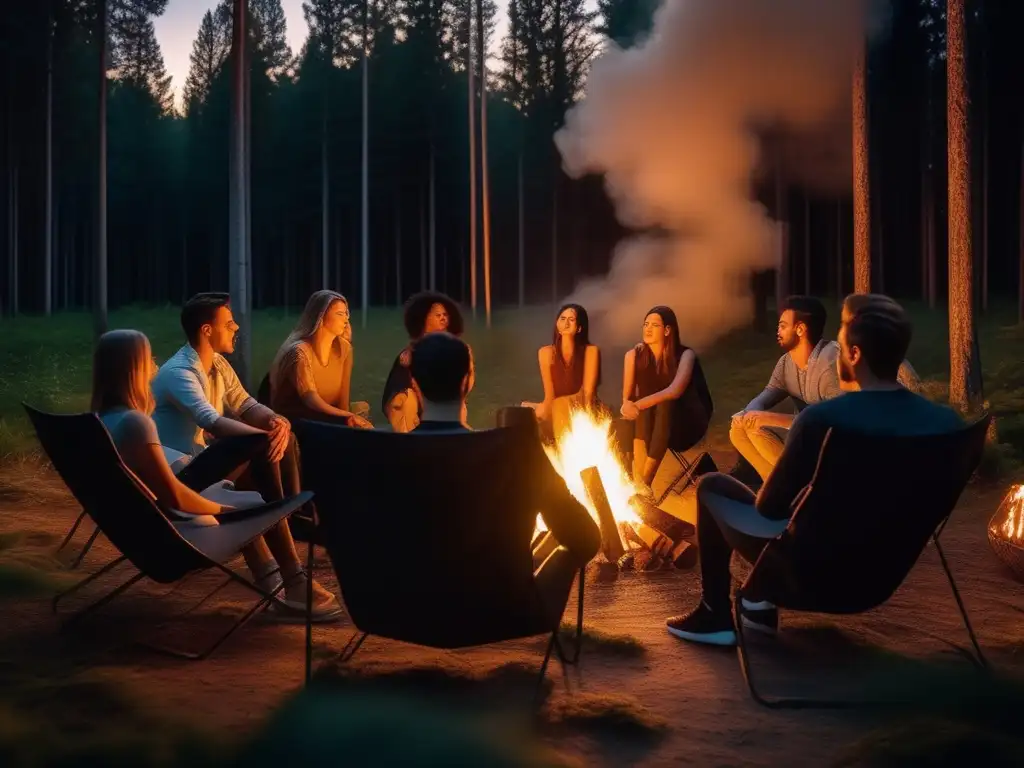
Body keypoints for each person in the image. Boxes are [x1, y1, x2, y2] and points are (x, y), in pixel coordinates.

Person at [666, 294, 963, 646]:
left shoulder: (822, 420)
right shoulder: (947, 425)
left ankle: (718, 614)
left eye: (840, 343)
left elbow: (770, 512)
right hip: (885, 574)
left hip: (813, 577)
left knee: (713, 487)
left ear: (853, 355)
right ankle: (757, 601)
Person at [93, 329, 342, 620]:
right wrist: (225, 510)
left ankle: (277, 581)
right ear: (132, 368)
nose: (156, 366)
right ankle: (293, 579)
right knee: (259, 458)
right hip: (176, 524)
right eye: (149, 360)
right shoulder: (136, 424)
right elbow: (174, 497)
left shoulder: (103, 421)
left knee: (255, 452)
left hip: (147, 519)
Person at [407, 331, 601, 610]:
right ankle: (531, 599)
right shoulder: (519, 455)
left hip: (403, 611)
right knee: (575, 543)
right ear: (468, 380)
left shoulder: (379, 456)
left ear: (414, 383)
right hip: (502, 613)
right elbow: (586, 537)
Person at [729, 296, 839, 483]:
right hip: (803, 438)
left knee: (759, 429)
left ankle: (798, 486)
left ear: (800, 329)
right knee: (738, 429)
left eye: (782, 326)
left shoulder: (830, 364)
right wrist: (748, 413)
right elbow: (768, 393)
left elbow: (833, 423)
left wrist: (768, 418)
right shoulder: (787, 362)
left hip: (830, 449)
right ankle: (772, 486)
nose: (778, 331)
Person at [620, 306, 714, 489]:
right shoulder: (633, 356)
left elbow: (674, 391)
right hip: (653, 425)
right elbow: (627, 399)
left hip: (686, 424)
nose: (647, 329)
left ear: (667, 330)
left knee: (664, 403)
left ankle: (644, 483)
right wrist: (628, 406)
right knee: (628, 418)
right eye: (645, 324)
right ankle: (640, 483)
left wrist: (636, 406)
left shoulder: (686, 355)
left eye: (654, 325)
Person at [268, 290, 372, 428]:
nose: (346, 319)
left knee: (362, 413)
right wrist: (347, 416)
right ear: (320, 316)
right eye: (340, 314)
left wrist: (347, 421)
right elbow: (311, 399)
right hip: (298, 421)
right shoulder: (299, 352)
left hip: (328, 417)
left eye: (346, 314)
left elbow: (343, 398)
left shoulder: (344, 349)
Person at [381, 292, 474, 432]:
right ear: (423, 319)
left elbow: (466, 384)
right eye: (438, 315)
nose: (443, 318)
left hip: (446, 408)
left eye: (445, 315)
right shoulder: (409, 354)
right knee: (405, 401)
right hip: (418, 407)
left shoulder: (460, 350)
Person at [521, 303, 602, 440]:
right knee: (522, 411)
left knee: (557, 406)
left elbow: (587, 394)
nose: (566, 323)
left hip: (583, 403)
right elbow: (549, 395)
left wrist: (560, 406)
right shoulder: (545, 353)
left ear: (579, 328)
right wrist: (544, 409)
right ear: (557, 323)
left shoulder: (591, 351)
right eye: (562, 319)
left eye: (571, 320)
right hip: (556, 404)